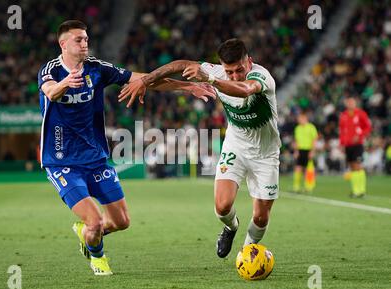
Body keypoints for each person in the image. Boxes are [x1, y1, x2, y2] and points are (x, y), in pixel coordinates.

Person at [37, 20, 215, 275]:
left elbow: (145, 80)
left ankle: (86, 232)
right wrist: (66, 83)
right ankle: (97, 258)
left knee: (121, 222)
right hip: (62, 161)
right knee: (96, 220)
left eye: (86, 38)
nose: (84, 43)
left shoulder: (97, 69)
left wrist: (188, 87)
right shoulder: (51, 70)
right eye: (78, 40)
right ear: (63, 43)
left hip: (96, 158)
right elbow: (51, 92)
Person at [119, 38, 281, 258]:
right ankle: (231, 228)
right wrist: (145, 81)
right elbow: (179, 65)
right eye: (229, 71)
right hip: (236, 146)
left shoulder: (261, 77)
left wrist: (212, 79)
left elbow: (245, 90)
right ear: (222, 66)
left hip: (266, 154)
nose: (234, 75)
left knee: (261, 217)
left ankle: (246, 253)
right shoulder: (216, 71)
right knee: (222, 207)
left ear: (249, 62)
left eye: (239, 70)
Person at [339, 96, 372, 198]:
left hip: (358, 144)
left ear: (355, 103)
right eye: (349, 102)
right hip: (348, 145)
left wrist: (360, 135)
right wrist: (342, 144)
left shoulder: (361, 114)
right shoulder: (343, 115)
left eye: (352, 102)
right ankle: (355, 190)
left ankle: (361, 191)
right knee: (352, 167)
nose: (350, 104)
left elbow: (368, 127)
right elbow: (342, 131)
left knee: (358, 165)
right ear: (346, 104)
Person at [292, 111, 318, 193]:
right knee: (298, 168)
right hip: (300, 150)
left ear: (305, 118)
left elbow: (314, 140)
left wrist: (312, 151)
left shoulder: (311, 127)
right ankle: (296, 187)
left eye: (300, 118)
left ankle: (309, 187)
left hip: (308, 150)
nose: (299, 120)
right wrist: (296, 151)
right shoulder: (297, 128)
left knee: (309, 170)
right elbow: (296, 140)